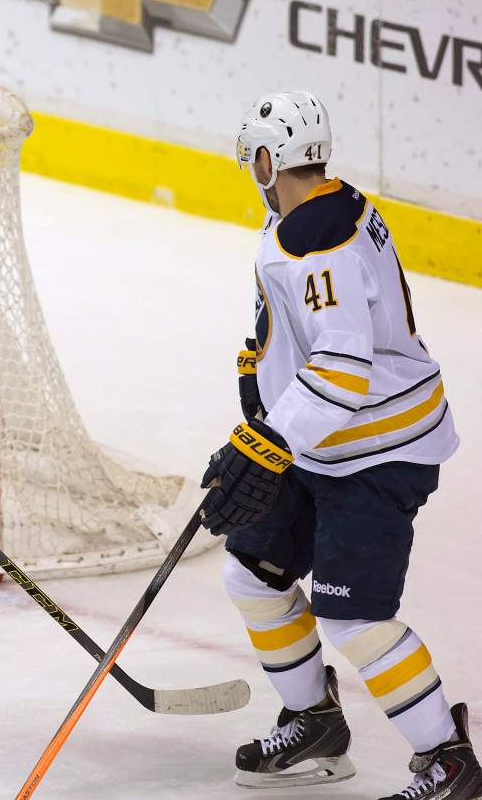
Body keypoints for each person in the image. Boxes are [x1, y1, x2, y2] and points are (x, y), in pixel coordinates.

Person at [200, 91, 479, 799]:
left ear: (267, 160)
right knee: (252, 573)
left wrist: (268, 441)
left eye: (252, 158)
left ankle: (449, 761)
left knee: (352, 614)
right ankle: (315, 721)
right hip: (322, 440)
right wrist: (261, 369)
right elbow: (314, 337)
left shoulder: (314, 240)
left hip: (380, 451)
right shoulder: (318, 208)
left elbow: (345, 368)